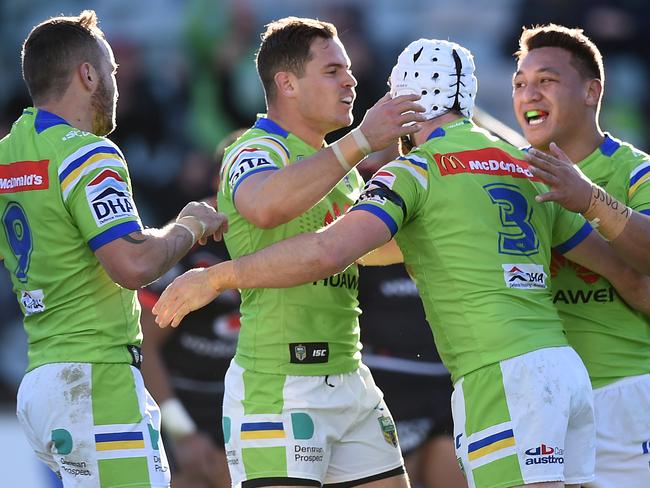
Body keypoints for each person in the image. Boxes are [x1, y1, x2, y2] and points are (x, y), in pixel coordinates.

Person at [153, 38, 650, 488]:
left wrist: (218, 275)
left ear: (404, 102)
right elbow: (627, 273)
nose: (351, 82)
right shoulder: (525, 163)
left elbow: (331, 250)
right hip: (563, 372)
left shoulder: (413, 172)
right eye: (334, 70)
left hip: (497, 376)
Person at [161, 15, 424, 488]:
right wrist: (362, 140)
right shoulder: (255, 148)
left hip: (350, 375)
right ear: (287, 83)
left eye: (348, 69)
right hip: (280, 383)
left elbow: (358, 252)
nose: (351, 79)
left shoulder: (342, 169)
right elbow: (264, 207)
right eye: (332, 71)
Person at [0, 11, 227, 487]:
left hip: (41, 379)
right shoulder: (87, 151)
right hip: (95, 381)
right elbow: (133, 263)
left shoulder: (8, 155)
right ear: (87, 74)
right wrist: (189, 225)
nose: (115, 85)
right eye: (112, 72)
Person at [511, 24, 650, 488]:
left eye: (545, 80)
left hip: (621, 393)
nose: (529, 92)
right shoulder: (507, 176)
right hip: (536, 399)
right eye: (519, 83)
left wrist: (589, 199)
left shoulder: (633, 169)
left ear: (592, 91)